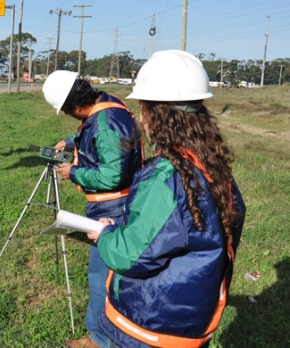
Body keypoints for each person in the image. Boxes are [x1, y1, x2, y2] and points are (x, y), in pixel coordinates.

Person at [87, 50, 247, 348]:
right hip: (187, 320)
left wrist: (105, 234)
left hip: (149, 325)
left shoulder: (166, 176)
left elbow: (131, 255)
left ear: (157, 114)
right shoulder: (210, 165)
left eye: (143, 107)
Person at [42, 71, 143, 348]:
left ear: (74, 107)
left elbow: (112, 175)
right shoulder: (108, 105)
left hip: (114, 209)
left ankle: (99, 339)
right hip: (120, 205)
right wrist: (72, 142)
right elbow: (98, 134)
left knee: (101, 275)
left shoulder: (106, 122)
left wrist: (74, 172)